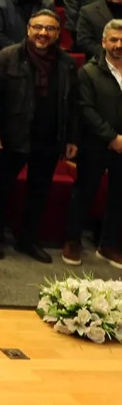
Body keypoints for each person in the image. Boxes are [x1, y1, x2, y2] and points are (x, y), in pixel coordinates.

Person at [0, 9, 76, 263]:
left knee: (39, 191)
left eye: (50, 28)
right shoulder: (7, 57)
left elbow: (72, 104)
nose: (43, 33)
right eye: (38, 27)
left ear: (58, 33)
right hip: (13, 134)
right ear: (28, 29)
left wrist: (71, 138)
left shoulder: (67, 63)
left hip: (49, 136)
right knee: (1, 187)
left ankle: (28, 239)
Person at [66, 19, 122, 269]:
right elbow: (85, 109)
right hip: (95, 143)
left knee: (119, 196)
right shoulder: (88, 71)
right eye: (113, 40)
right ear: (103, 42)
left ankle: (108, 245)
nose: (118, 45)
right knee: (84, 192)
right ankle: (72, 241)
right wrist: (112, 138)